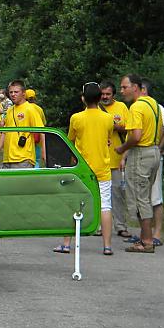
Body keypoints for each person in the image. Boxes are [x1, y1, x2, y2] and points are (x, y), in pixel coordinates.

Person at [54, 82, 115, 255]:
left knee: (73, 204)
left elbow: (70, 142)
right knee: (105, 206)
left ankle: (66, 244)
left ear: (83, 98)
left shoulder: (76, 118)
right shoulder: (108, 118)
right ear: (100, 98)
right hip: (103, 169)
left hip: (81, 169)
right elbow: (108, 139)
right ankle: (107, 246)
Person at [115, 74, 162, 253]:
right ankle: (145, 238)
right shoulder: (153, 104)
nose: (122, 91)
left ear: (135, 87)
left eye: (124, 87)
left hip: (141, 154)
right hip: (154, 151)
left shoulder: (136, 107)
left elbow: (136, 136)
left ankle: (147, 241)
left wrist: (122, 148)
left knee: (140, 197)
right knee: (146, 195)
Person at [131, 80, 164, 247]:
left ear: (142, 90)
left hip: (149, 154)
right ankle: (147, 234)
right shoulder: (146, 107)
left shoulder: (154, 107)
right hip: (149, 153)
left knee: (154, 196)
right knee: (145, 195)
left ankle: (155, 234)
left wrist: (158, 146)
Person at [99, 80, 131, 239]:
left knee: (118, 193)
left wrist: (112, 125)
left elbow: (128, 127)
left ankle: (120, 226)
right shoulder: (93, 107)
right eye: (102, 94)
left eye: (108, 94)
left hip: (117, 158)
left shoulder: (121, 107)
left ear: (113, 95)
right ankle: (99, 226)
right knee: (99, 195)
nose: (105, 97)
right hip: (99, 158)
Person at [0, 80, 45, 169]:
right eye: (11, 92)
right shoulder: (9, 110)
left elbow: (42, 131)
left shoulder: (30, 109)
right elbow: (4, 132)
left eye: (16, 92)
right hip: (7, 158)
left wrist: (44, 152)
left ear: (23, 93)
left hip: (23, 158)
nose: (13, 94)